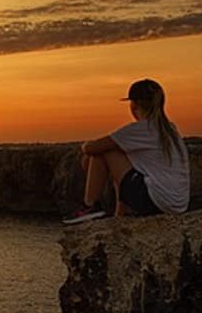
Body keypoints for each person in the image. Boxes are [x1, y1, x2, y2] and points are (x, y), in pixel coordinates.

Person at [63, 79, 189, 224]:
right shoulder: (170, 129)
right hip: (177, 205)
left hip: (156, 202)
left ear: (134, 105)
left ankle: (90, 206)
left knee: (104, 152)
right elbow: (123, 176)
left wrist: (86, 149)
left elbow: (91, 148)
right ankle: (122, 213)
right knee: (122, 161)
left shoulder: (140, 129)